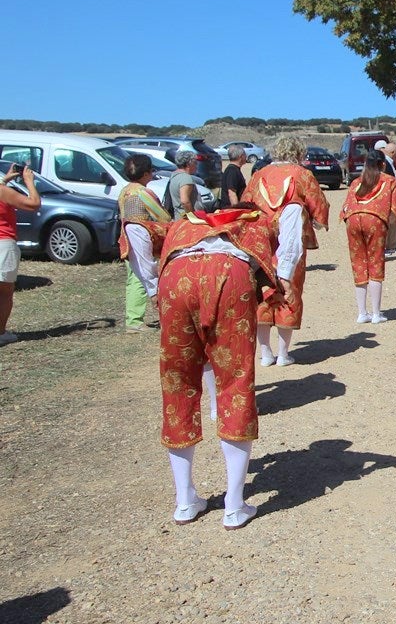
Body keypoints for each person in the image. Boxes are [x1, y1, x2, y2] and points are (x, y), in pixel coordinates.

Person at [157, 204, 293, 531]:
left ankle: (185, 499)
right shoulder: (255, 224)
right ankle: (234, 504)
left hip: (176, 277)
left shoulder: (184, 225)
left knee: (177, 383)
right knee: (235, 381)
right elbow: (279, 254)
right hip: (229, 275)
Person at [245, 135, 330, 368]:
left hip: (260, 241)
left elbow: (245, 205)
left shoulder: (258, 176)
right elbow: (318, 205)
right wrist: (317, 220)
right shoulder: (302, 174)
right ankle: (283, 353)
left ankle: (265, 353)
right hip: (291, 239)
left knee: (261, 291)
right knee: (290, 288)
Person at [341, 151, 396, 323]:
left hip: (353, 220)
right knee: (375, 263)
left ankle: (362, 313)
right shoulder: (390, 181)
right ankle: (376, 313)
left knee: (359, 264)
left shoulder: (356, 182)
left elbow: (346, 206)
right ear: (383, 164)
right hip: (375, 220)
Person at [118, 154, 171, 334]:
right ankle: (163, 316)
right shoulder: (143, 192)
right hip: (140, 234)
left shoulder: (124, 190)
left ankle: (134, 320)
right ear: (146, 173)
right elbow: (163, 217)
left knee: (135, 277)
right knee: (149, 273)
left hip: (126, 234)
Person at [0, 162, 42, 346]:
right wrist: (29, 181)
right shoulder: (2, 191)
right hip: (3, 243)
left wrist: (5, 179)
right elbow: (33, 204)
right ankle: (0, 333)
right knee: (4, 291)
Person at [166, 150, 200, 219]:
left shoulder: (175, 175)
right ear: (188, 164)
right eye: (195, 163)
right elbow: (185, 201)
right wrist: (193, 217)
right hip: (186, 219)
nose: (197, 165)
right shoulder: (186, 178)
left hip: (178, 216)